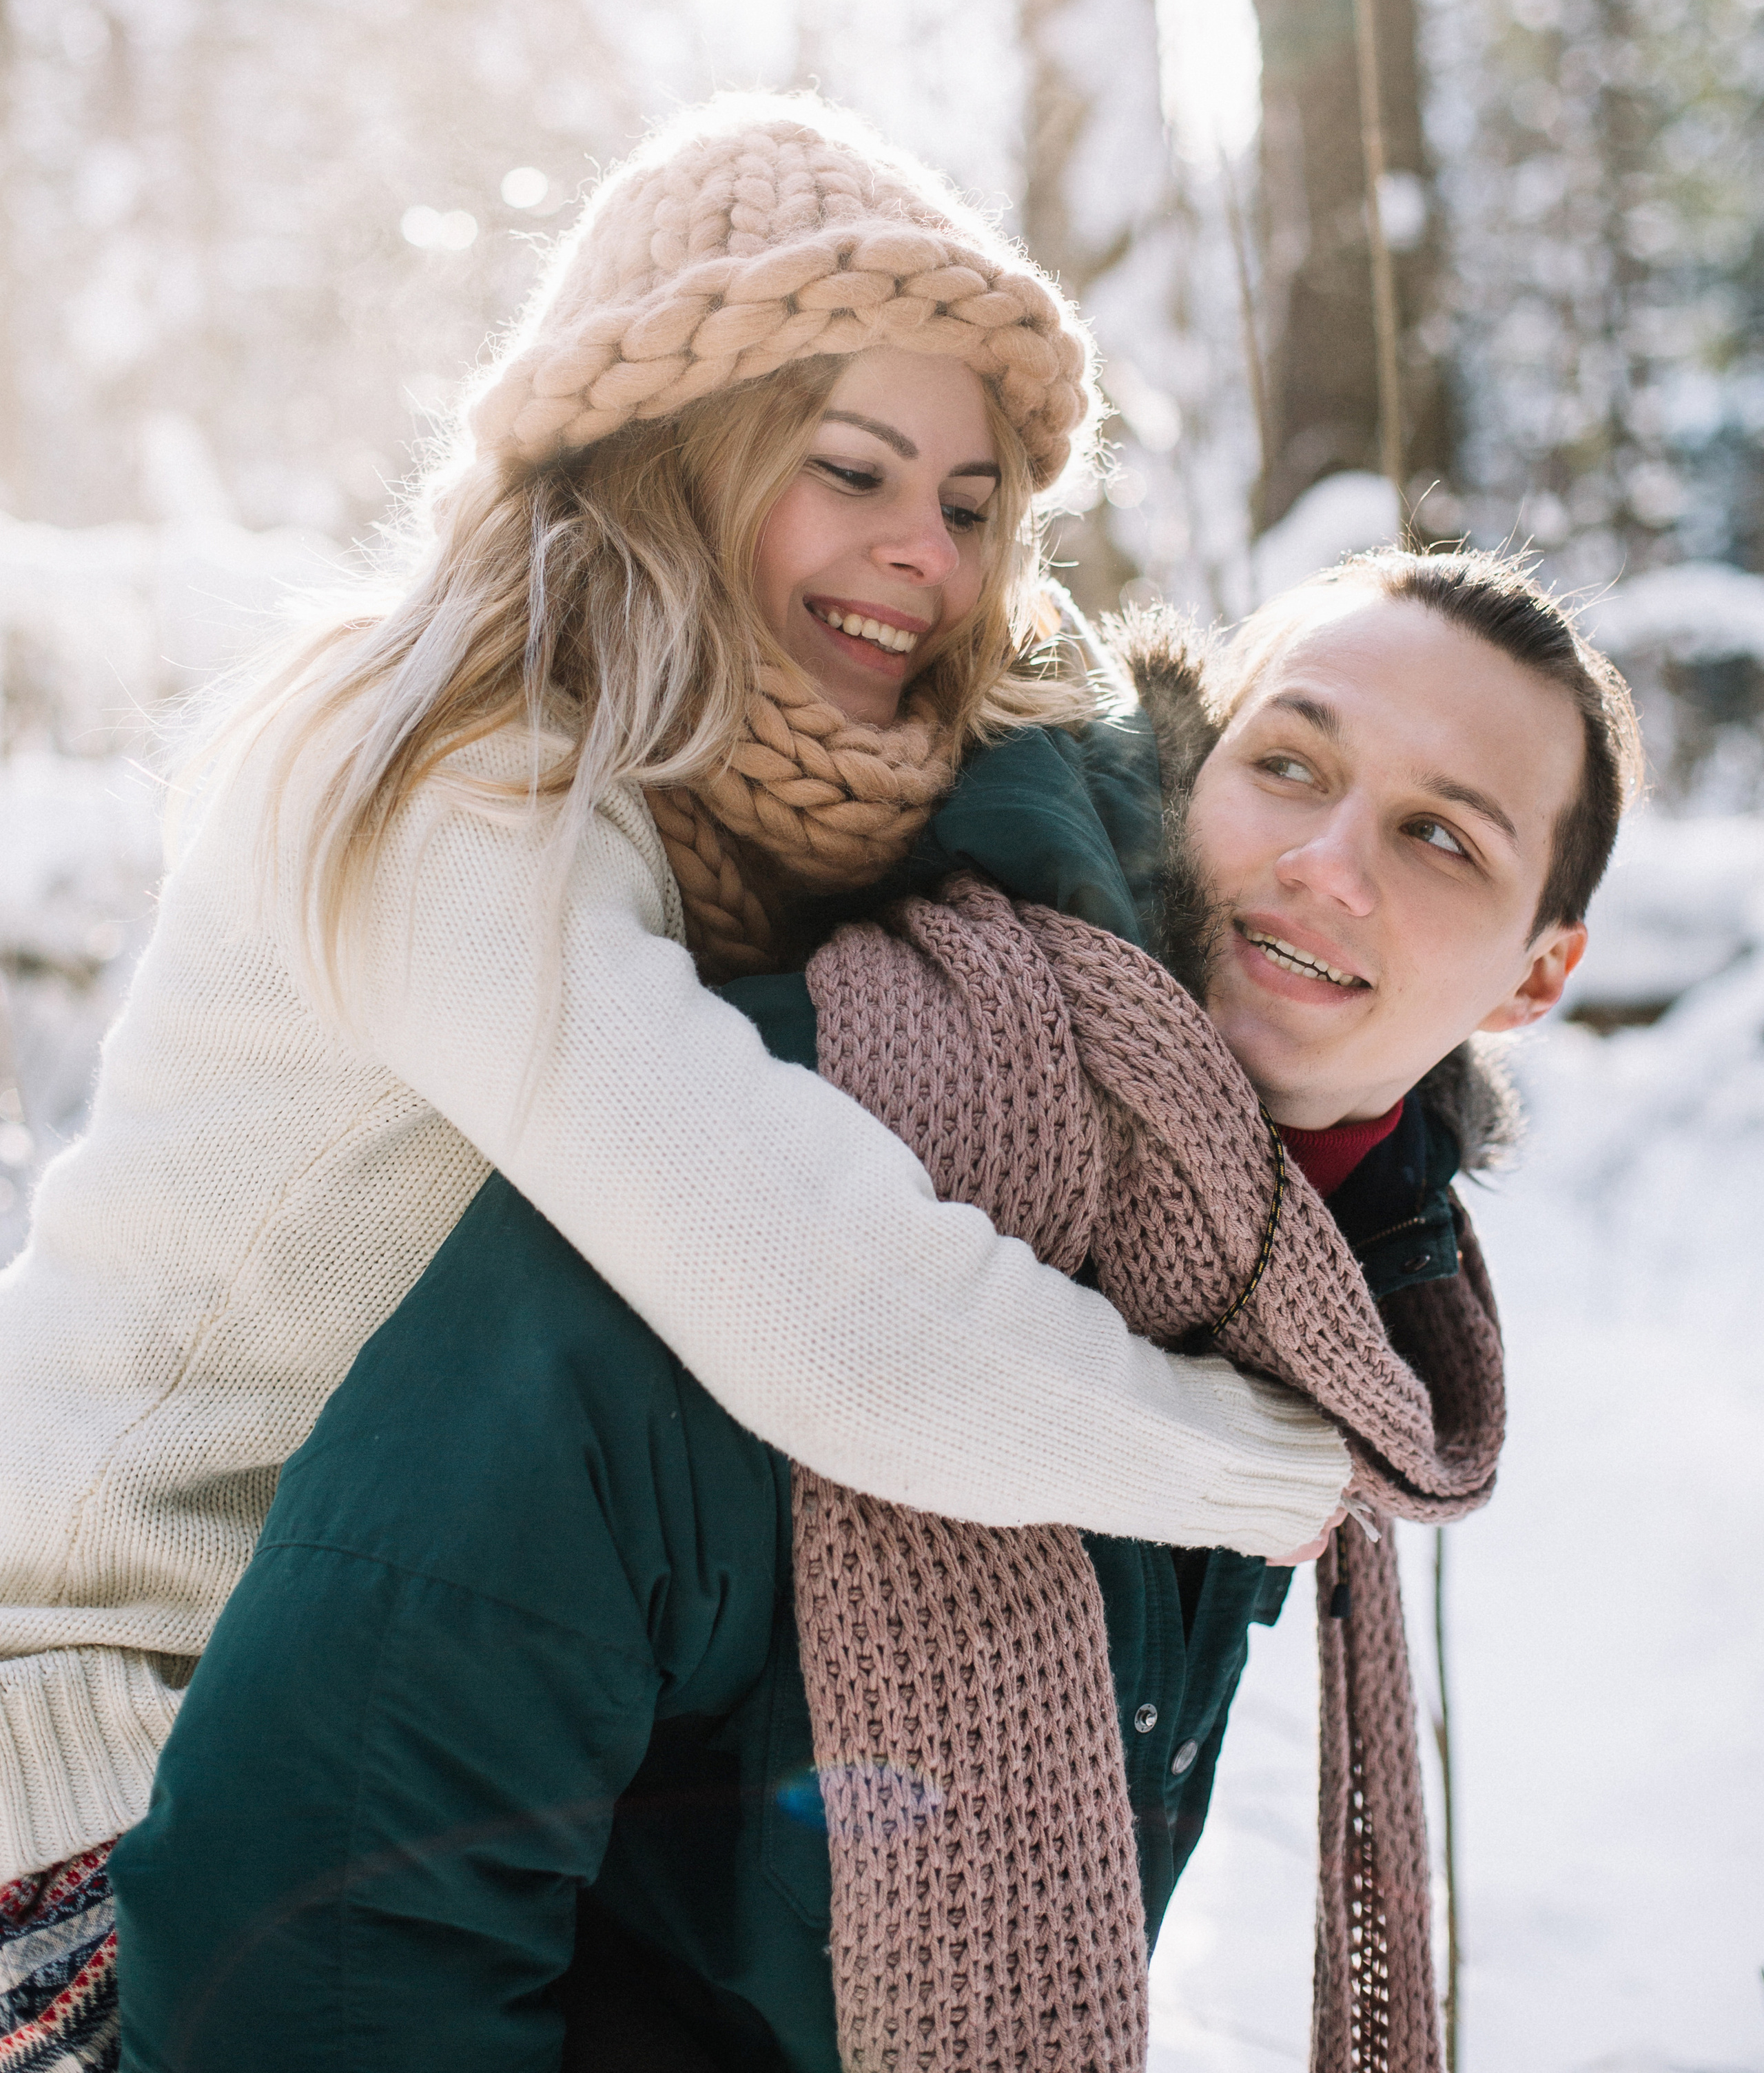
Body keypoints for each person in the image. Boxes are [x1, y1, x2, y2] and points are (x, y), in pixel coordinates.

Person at [0, 95, 1351, 2068]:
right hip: (116, 1788)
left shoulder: (712, 794)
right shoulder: (451, 775)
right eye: (853, 468)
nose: (925, 553)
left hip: (398, 1742)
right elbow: (822, 1299)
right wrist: (1271, 1467)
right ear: (677, 455)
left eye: (973, 506)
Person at [107, 548, 1641, 2072]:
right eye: (1288, 760)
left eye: (1440, 836)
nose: (1325, 862)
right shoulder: (804, 1141)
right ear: (1191, 770)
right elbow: (307, 1917)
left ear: (1537, 974)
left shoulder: (1294, 1311)